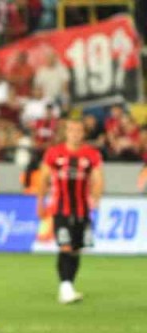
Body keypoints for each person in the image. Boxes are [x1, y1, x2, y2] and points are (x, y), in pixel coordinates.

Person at [37, 118, 103, 304]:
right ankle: (65, 286)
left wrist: (96, 198)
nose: (75, 134)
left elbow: (98, 178)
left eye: (79, 130)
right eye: (72, 130)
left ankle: (68, 287)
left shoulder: (91, 154)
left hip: (82, 209)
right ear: (66, 132)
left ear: (84, 133)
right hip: (60, 208)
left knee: (76, 249)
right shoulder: (54, 153)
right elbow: (43, 179)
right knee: (65, 246)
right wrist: (40, 202)